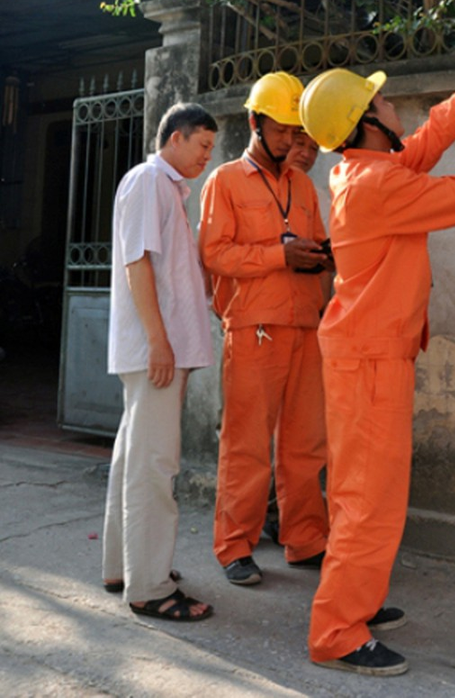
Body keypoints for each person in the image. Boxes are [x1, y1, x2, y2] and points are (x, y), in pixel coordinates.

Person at [298, 37, 455, 676]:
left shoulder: (369, 171)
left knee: (366, 494)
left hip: (370, 354)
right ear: (368, 123)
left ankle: (356, 604)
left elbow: (427, 139)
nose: (395, 106)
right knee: (367, 499)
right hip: (370, 359)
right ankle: (337, 631)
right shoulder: (374, 185)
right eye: (383, 100)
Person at [199, 71, 331, 587]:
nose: (291, 140)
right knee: (247, 444)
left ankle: (305, 541)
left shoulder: (302, 184)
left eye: (296, 132)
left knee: (306, 444)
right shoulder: (225, 181)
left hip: (305, 324)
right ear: (255, 123)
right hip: (253, 327)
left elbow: (316, 242)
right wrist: (280, 255)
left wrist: (323, 257)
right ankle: (235, 546)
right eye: (281, 130)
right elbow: (215, 254)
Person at [102, 102, 218, 622]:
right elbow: (137, 260)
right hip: (157, 350)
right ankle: (148, 586)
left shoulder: (165, 187)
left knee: (135, 458)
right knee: (155, 465)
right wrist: (159, 340)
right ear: (174, 137)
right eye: (202, 146)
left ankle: (122, 566)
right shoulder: (150, 180)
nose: (207, 158)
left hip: (160, 347)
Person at [263, 126, 331, 546]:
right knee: (255, 434)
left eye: (312, 145)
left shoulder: (307, 193)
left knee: (302, 435)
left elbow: (321, 257)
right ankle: (251, 521)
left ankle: (290, 523)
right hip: (261, 327)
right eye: (298, 143)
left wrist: (322, 315)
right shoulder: (246, 186)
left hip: (307, 324)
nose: (305, 152)